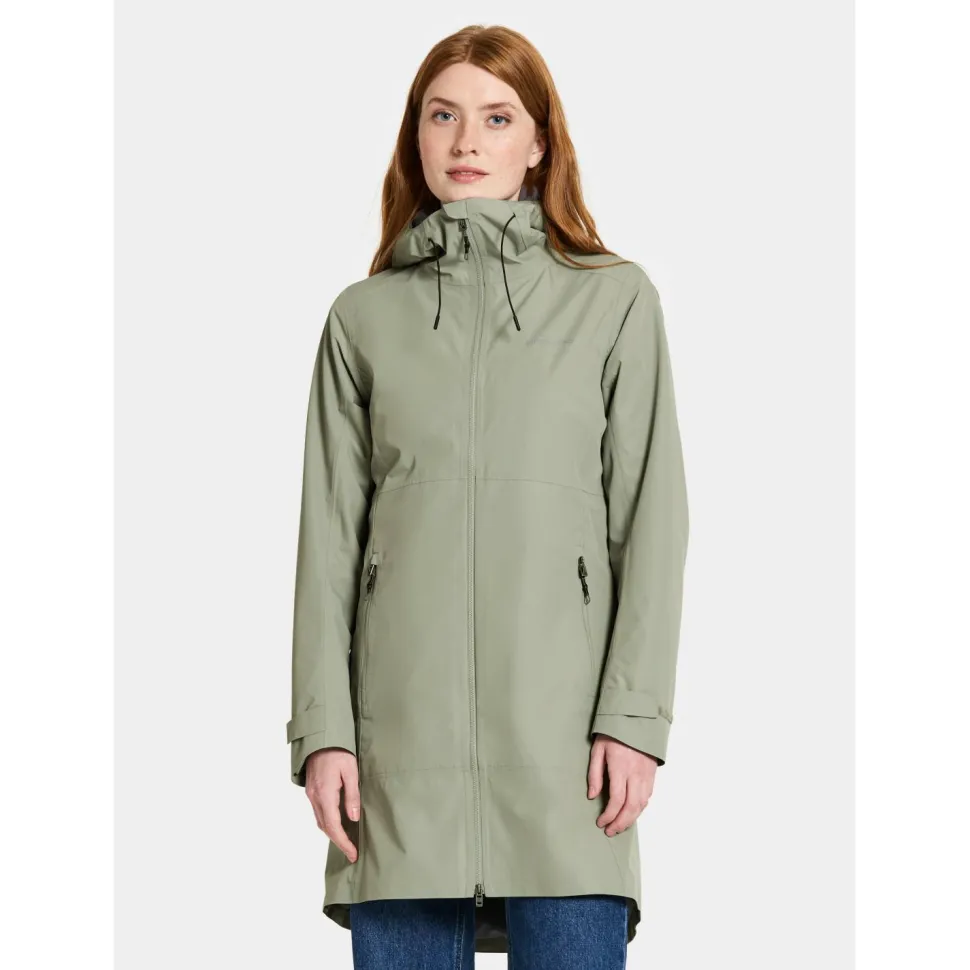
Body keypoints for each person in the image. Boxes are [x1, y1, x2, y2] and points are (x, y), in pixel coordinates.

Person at [286, 23, 690, 970]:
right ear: (416, 137)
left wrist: (633, 721)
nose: (467, 141)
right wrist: (323, 735)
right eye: (444, 116)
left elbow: (651, 522)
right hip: (397, 768)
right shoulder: (362, 319)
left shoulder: (614, 301)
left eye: (497, 117)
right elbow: (328, 544)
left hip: (567, 760)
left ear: (539, 141)